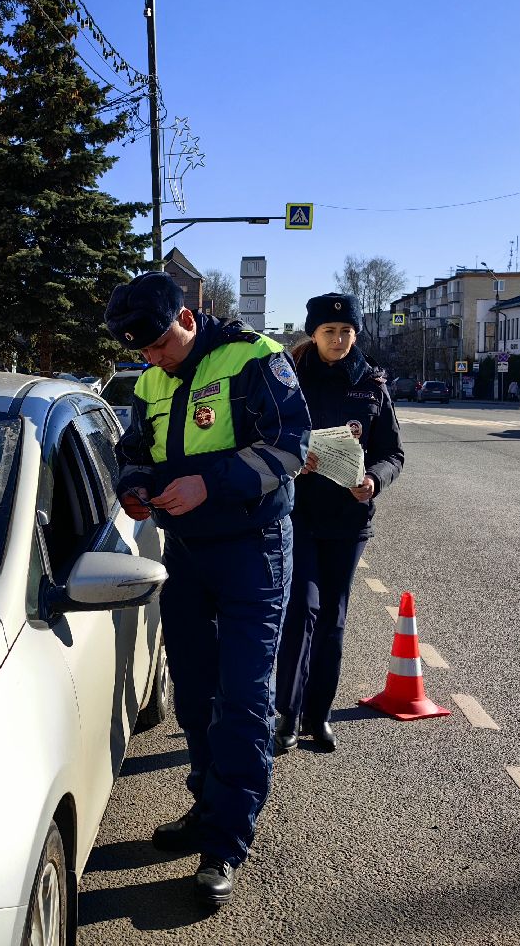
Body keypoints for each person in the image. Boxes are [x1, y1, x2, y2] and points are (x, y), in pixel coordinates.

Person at [105, 271, 311, 908]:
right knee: (194, 694)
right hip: (187, 554)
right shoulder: (149, 380)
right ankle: (206, 804)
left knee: (245, 700)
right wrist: (134, 489)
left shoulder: (254, 357)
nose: (153, 359)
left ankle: (225, 843)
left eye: (160, 344)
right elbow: (134, 450)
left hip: (254, 551)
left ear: (187, 320)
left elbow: (290, 446)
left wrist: (206, 484)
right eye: (141, 350)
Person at [274, 293, 404, 754]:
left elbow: (393, 452)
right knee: (300, 611)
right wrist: (295, 458)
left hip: (349, 521)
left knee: (332, 620)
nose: (338, 339)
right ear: (313, 333)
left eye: (346, 331)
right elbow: (266, 434)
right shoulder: (290, 380)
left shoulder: (371, 385)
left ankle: (318, 714)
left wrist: (374, 478)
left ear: (355, 334)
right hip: (298, 513)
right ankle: (286, 713)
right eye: (329, 331)